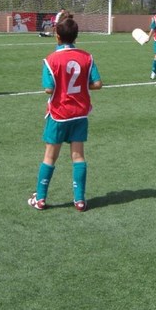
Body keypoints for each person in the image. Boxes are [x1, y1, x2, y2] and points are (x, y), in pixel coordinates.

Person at [28, 13, 102, 212]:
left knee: (50, 157)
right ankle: (79, 200)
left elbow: (49, 89)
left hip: (58, 114)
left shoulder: (50, 60)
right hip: (79, 113)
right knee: (78, 156)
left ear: (57, 37)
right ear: (76, 36)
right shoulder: (87, 57)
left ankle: (41, 199)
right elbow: (97, 84)